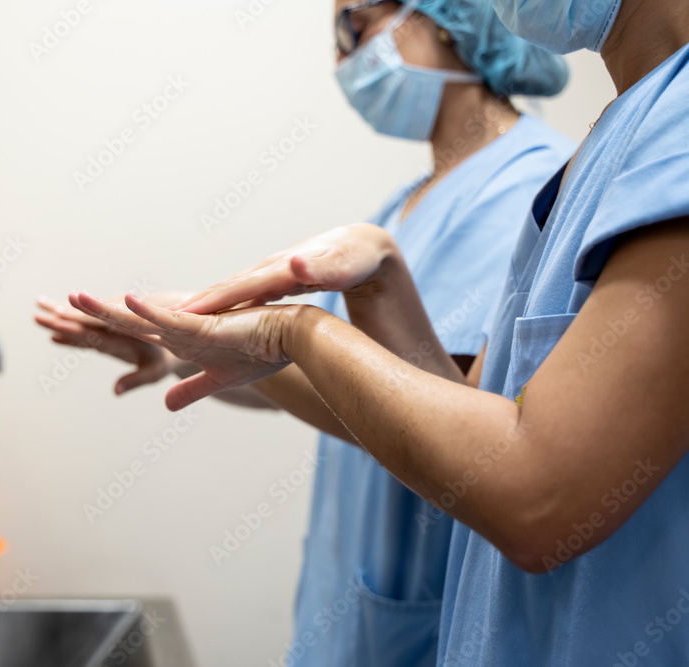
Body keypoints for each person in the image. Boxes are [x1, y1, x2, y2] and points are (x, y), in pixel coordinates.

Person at [68, 0, 689, 662]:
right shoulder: (605, 141)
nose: (342, 61)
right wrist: (192, 344)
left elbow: (518, 475)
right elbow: (456, 394)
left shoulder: (561, 163)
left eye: (352, 26)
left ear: (447, 20)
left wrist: (289, 333)